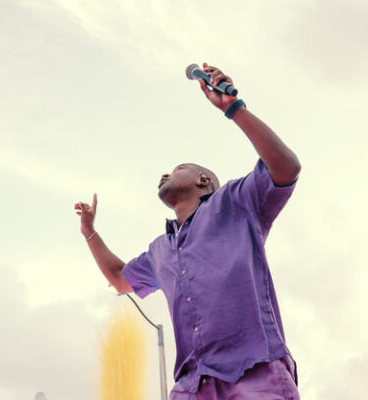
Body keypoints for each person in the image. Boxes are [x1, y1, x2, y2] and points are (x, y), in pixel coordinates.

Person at [74, 62, 301, 400]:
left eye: (177, 168)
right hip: (193, 385)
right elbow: (120, 279)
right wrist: (90, 233)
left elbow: (285, 168)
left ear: (203, 180)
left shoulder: (235, 203)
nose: (164, 174)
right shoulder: (160, 250)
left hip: (254, 372)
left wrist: (234, 109)